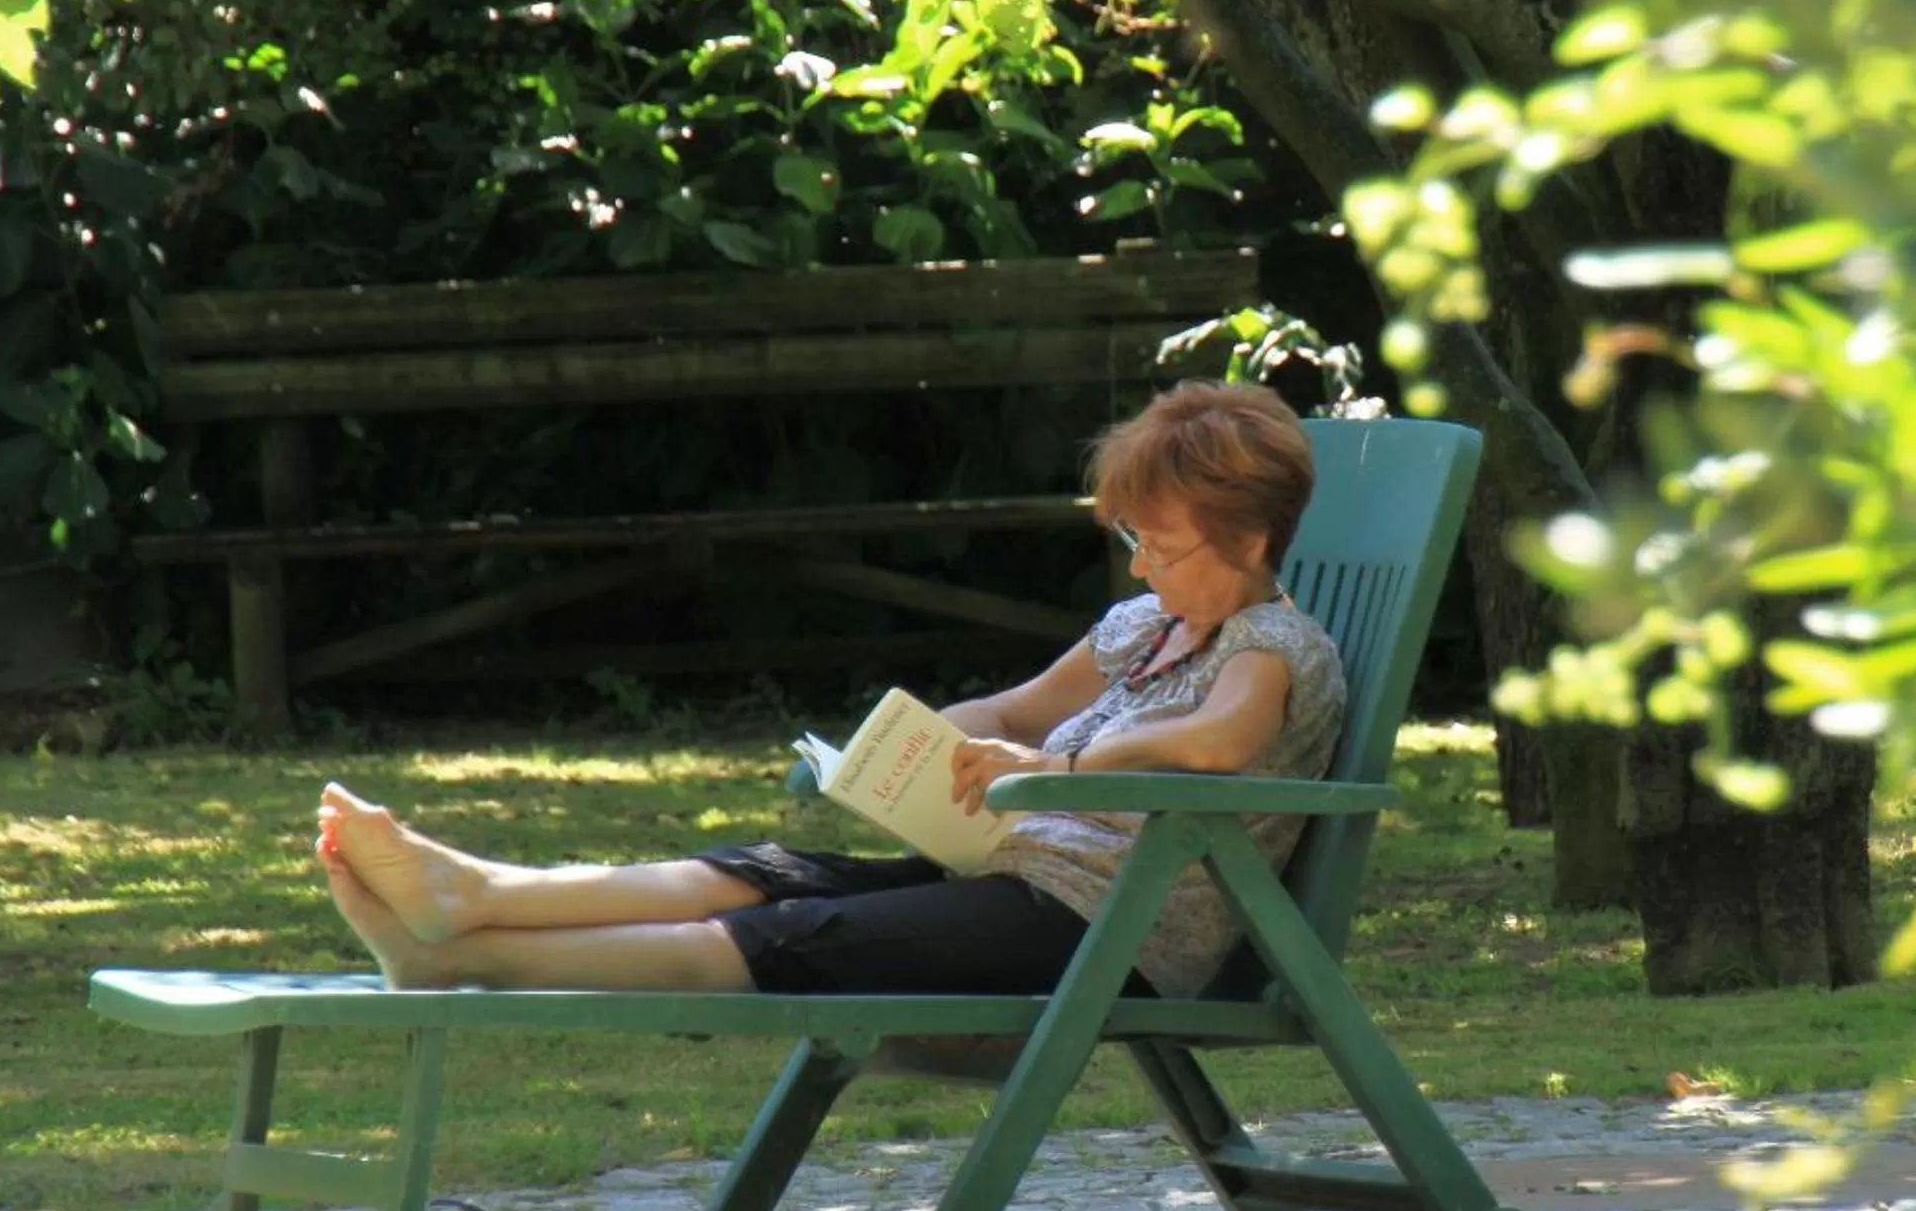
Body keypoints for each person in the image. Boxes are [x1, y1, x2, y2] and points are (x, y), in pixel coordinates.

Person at [314, 380, 1348, 1002]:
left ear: (1249, 537)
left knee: (799, 942)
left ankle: (473, 960)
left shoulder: (1271, 644)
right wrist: (934, 744)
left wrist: (1061, 767)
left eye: (1159, 546)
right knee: (769, 873)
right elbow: (1012, 709)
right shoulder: (1141, 628)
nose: (1138, 567)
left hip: (1106, 933)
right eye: (1132, 540)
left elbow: (1217, 743)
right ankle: (476, 897)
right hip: (1003, 876)